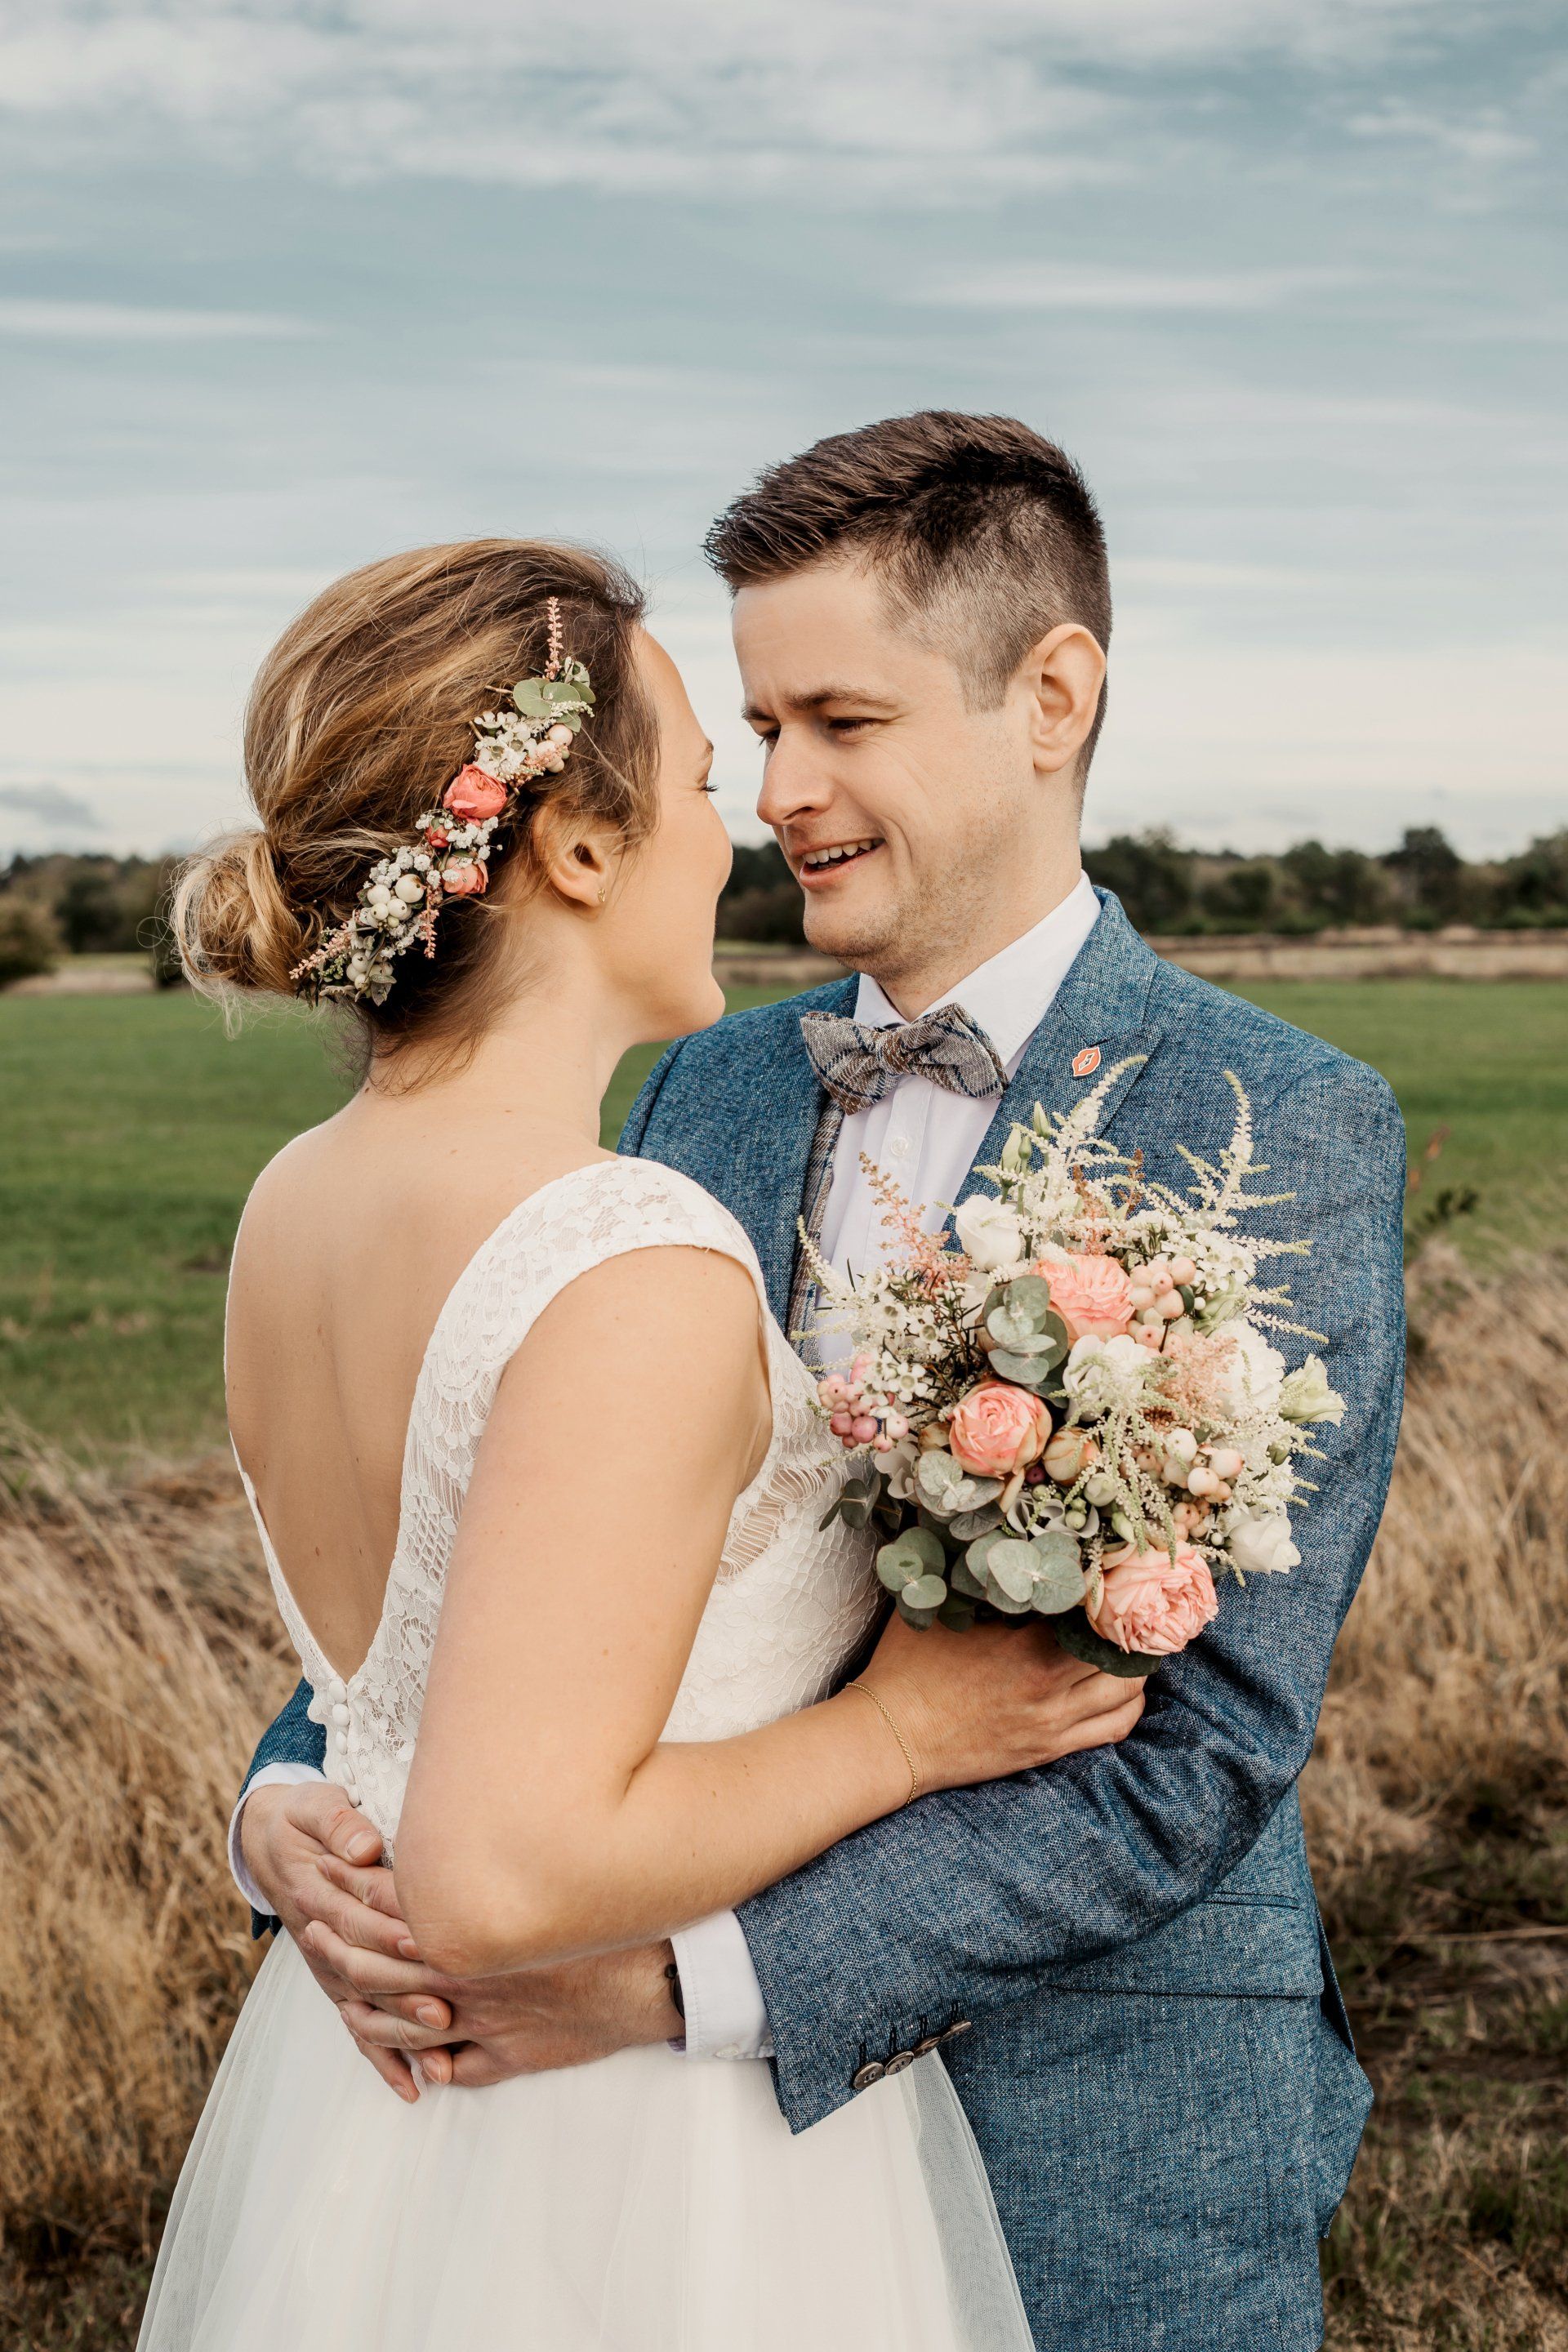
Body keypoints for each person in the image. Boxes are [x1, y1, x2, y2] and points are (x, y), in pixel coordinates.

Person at [234, 414, 1408, 2352]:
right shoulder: (707, 1082)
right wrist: (291, 1789)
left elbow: (1191, 1749)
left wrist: (681, 1986)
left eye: (839, 721)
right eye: (757, 728)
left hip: (1084, 2115)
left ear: (1054, 694)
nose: (781, 788)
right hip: (637, 2167)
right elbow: (509, 1520)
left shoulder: (1280, 1120)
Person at [140, 533, 1145, 2352]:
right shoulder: (629, 1251)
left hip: (369, 2093)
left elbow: (423, 1666)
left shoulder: (298, 1202)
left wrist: (291, 1808)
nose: (736, 823)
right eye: (694, 775)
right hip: (639, 2153)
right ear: (579, 847)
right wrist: (909, 1727)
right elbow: (505, 1868)